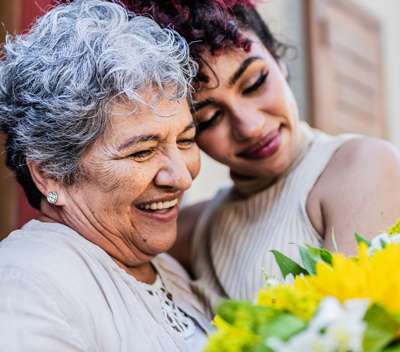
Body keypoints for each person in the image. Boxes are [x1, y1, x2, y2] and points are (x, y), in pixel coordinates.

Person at [119, 0, 400, 317]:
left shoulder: (361, 166)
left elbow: (353, 337)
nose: (250, 127)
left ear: (279, 59)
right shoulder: (191, 229)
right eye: (209, 117)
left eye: (255, 83)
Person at [0, 1, 211, 352]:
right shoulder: (28, 288)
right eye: (142, 152)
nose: (181, 177)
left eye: (185, 140)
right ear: (50, 172)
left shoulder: (163, 268)